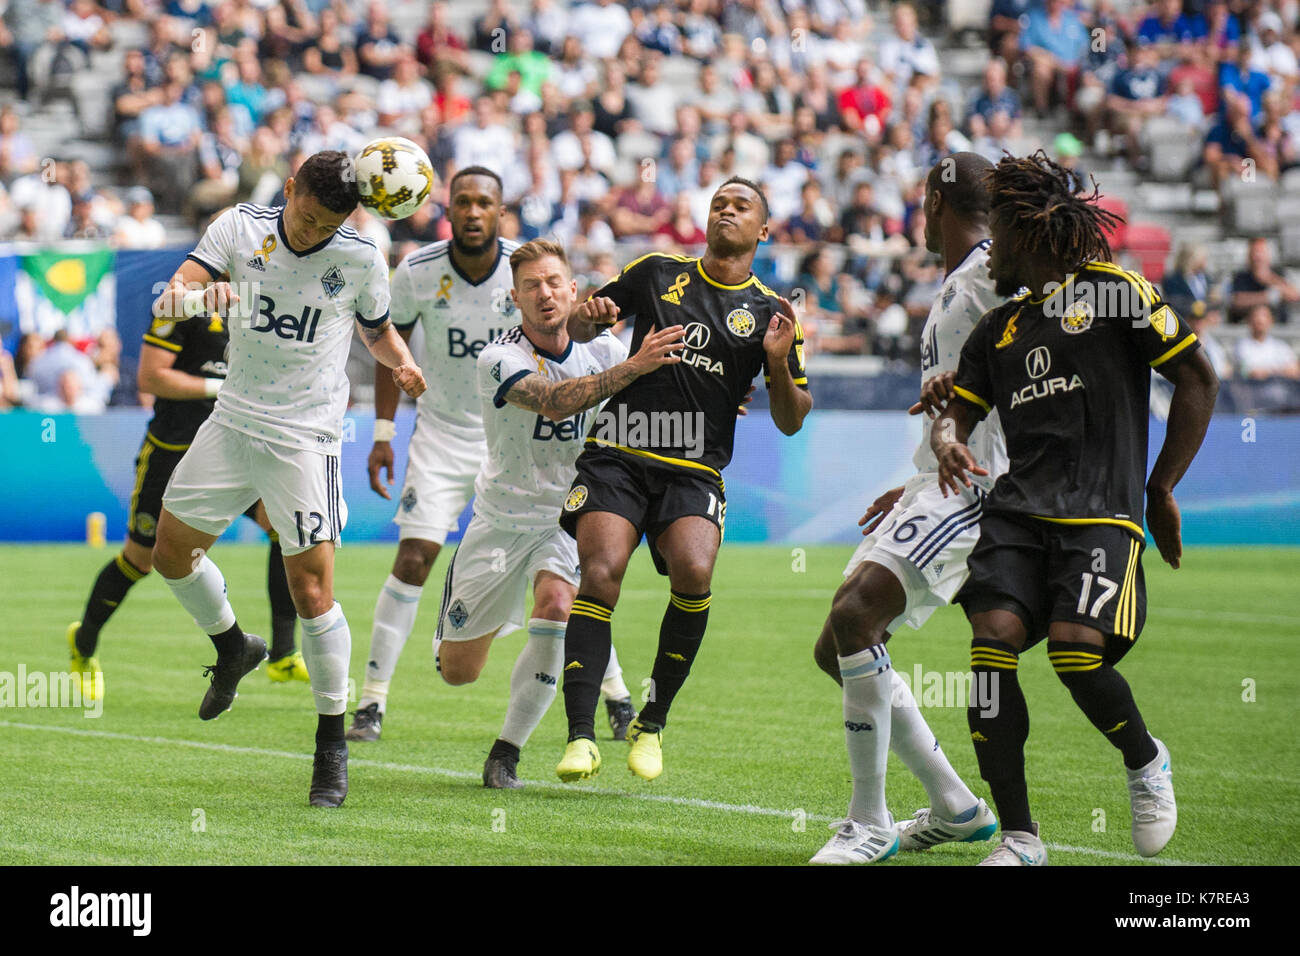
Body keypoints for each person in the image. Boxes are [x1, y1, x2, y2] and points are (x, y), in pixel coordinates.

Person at [932, 151, 1218, 864]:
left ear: (1026, 232)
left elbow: (1196, 376)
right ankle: (1022, 839)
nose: (989, 246)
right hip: (1015, 513)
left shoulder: (1116, 293)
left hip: (1099, 514)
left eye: (999, 228)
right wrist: (946, 438)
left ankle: (1146, 759)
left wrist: (1160, 488)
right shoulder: (997, 332)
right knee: (991, 645)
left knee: (1074, 653)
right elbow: (957, 418)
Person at [148, 151, 427, 808]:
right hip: (232, 421)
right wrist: (199, 295)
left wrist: (405, 363)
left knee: (311, 592)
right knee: (171, 553)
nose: (311, 232)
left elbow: (378, 332)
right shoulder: (237, 228)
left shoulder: (359, 258)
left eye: (328, 224)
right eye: (305, 216)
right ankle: (232, 645)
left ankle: (331, 742)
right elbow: (168, 297)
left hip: (306, 438)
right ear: (291, 189)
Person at [347, 167, 637, 744]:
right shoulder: (417, 271)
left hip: (533, 439)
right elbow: (391, 346)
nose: (474, 212)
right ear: (447, 209)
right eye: (463, 202)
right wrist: (383, 431)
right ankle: (372, 701)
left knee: (568, 582)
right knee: (412, 559)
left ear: (501, 212)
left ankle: (615, 691)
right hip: (446, 432)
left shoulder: (530, 270)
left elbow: (571, 335)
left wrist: (599, 320)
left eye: (486, 203)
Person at [555, 177, 812, 782]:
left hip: (694, 468)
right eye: (719, 202)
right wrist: (589, 316)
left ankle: (652, 721)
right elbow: (584, 325)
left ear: (764, 230)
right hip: (619, 452)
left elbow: (792, 420)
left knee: (695, 572)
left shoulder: (774, 315)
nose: (726, 210)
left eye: (741, 206)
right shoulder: (654, 271)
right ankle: (581, 738)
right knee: (599, 575)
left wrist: (777, 362)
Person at [809, 153, 1006, 864]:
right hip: (939, 478)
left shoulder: (992, 271)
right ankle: (956, 806)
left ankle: (868, 821)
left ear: (933, 202)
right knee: (837, 646)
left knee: (855, 614)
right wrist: (919, 472)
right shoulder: (964, 279)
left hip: (980, 483)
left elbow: (1037, 357)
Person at [435, 239, 684, 788]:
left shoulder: (609, 350)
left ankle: (506, 752)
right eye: (531, 286)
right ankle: (608, 684)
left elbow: (659, 394)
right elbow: (555, 400)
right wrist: (635, 365)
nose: (544, 293)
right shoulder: (498, 357)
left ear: (574, 291)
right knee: (458, 671)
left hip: (573, 512)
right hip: (500, 518)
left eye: (553, 283)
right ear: (515, 299)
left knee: (557, 606)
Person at [66, 296, 308, 701]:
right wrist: (221, 386)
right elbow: (150, 377)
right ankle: (84, 645)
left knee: (282, 528)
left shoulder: (264, 297)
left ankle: (283, 654)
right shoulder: (179, 301)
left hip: (234, 451)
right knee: (140, 560)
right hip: (172, 449)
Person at [1235, 304, 1300, 379]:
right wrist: (1281, 371)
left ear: (1271, 321)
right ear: (1249, 321)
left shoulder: (1281, 346)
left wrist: (1267, 372)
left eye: (1264, 316)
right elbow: (1251, 373)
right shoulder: (1242, 345)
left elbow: (1294, 370)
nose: (1260, 319)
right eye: (1256, 316)